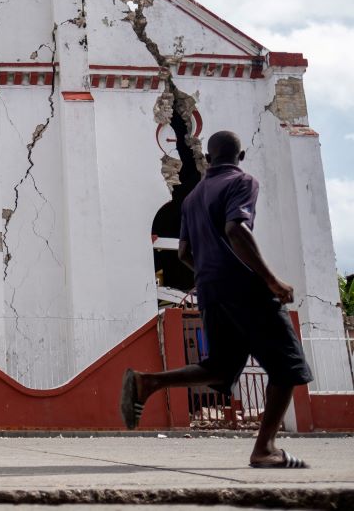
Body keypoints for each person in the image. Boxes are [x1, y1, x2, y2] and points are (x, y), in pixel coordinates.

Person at [119, 130, 313, 468]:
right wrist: (272, 280)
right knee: (288, 367)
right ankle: (265, 449)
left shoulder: (192, 198)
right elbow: (236, 229)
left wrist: (210, 272)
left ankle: (147, 381)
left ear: (207, 159)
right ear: (240, 156)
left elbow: (182, 253)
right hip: (244, 289)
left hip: (211, 291)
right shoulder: (243, 181)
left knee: (219, 369)